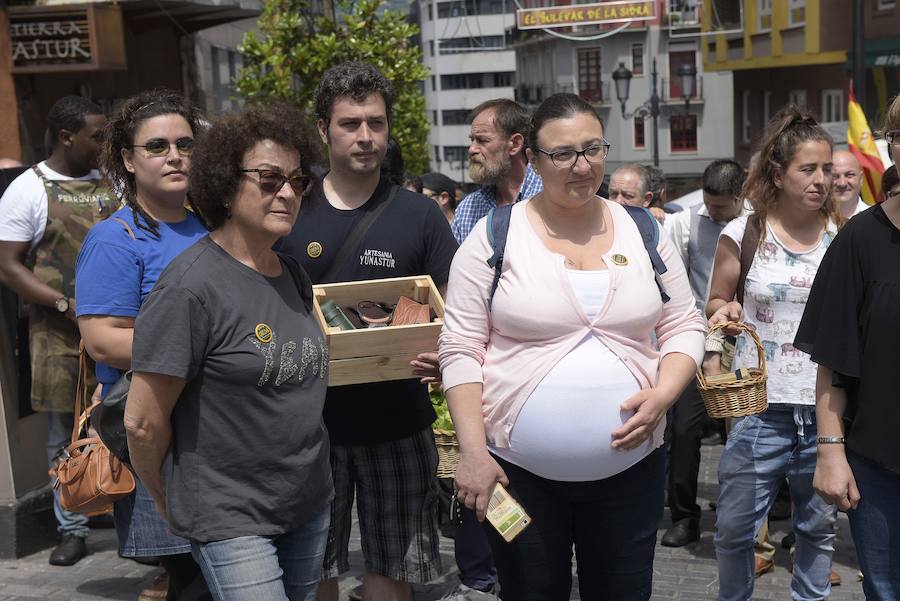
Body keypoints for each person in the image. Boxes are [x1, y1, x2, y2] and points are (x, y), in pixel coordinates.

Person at [439, 93, 705, 600]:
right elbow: (460, 348)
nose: (582, 166)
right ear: (535, 160)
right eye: (563, 153)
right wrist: (472, 452)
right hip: (517, 475)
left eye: (592, 149)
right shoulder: (494, 235)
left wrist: (665, 393)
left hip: (633, 471)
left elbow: (684, 323)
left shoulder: (643, 228)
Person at [124, 103, 330, 601]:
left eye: (297, 180)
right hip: (229, 514)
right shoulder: (189, 288)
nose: (286, 192)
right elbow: (143, 422)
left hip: (306, 501)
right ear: (224, 183)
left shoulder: (294, 273)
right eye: (268, 177)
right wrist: (165, 497)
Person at [276, 62, 457, 601]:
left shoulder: (421, 216)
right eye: (350, 123)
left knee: (392, 568)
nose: (365, 136)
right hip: (306, 427)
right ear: (323, 130)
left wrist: (439, 352)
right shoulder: (289, 207)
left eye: (376, 123)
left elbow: (453, 311)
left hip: (398, 422)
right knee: (312, 569)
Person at [74, 90, 210, 601]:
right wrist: (204, 353)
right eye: (156, 146)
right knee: (190, 577)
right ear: (128, 160)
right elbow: (104, 340)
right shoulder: (116, 239)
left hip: (224, 429)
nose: (174, 155)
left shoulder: (216, 226)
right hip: (156, 430)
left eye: (184, 143)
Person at [705, 106, 842, 601]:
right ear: (779, 174)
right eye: (809, 169)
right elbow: (716, 301)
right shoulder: (746, 231)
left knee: (817, 530)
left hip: (827, 411)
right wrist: (728, 310)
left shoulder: (841, 236)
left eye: (827, 168)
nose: (821, 179)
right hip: (758, 409)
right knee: (737, 533)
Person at [794, 99, 900, 601]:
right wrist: (830, 452)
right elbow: (834, 363)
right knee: (885, 589)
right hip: (880, 465)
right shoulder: (859, 239)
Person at [0, 96, 112, 567]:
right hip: (58, 331)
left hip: (117, 325)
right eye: (97, 135)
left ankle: (113, 504)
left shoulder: (114, 183)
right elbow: (7, 265)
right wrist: (62, 302)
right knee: (64, 432)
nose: (104, 144)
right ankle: (72, 527)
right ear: (68, 137)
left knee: (119, 420)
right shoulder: (27, 188)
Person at [661, 159, 746, 548]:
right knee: (683, 429)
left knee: (746, 433)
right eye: (709, 206)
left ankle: (749, 512)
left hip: (745, 340)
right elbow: (674, 286)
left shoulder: (754, 225)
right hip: (697, 337)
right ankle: (684, 515)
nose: (713, 213)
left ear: (739, 197)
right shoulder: (683, 224)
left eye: (721, 207)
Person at [451, 99, 542, 243]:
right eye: (472, 140)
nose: (472, 149)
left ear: (515, 144)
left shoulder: (550, 194)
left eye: (482, 140)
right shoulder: (468, 209)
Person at [831, 150, 868, 220]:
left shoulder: (877, 221)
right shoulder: (810, 224)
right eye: (834, 176)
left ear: (861, 179)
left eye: (849, 175)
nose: (842, 183)